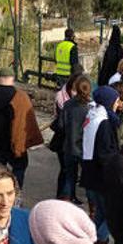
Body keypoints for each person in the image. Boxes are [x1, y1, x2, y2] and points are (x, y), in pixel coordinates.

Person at [0, 67, 42, 189]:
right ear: (13, 79)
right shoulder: (22, 96)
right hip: (17, 139)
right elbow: (28, 119)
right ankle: (16, 192)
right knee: (20, 167)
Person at [81, 86, 123, 244]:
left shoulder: (93, 114)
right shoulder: (105, 123)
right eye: (116, 100)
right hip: (102, 176)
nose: (118, 103)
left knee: (99, 212)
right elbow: (105, 153)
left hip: (90, 173)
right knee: (111, 214)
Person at [51, 68, 85, 202]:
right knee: (66, 169)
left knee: (71, 171)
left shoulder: (73, 100)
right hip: (64, 139)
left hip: (72, 139)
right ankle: (63, 196)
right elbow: (61, 123)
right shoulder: (62, 97)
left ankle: (70, 195)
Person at [56, 74, 91, 203]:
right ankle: (91, 202)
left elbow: (60, 125)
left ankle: (68, 198)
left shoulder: (68, 105)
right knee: (87, 176)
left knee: (69, 175)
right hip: (83, 147)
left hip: (69, 145)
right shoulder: (89, 108)